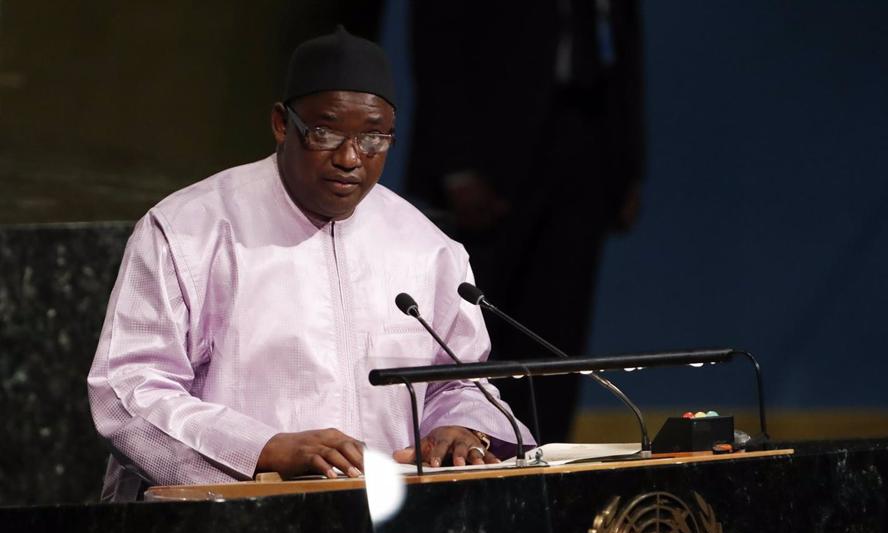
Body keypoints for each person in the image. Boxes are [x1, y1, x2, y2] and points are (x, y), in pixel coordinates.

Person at [88, 27, 531, 502]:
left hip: (383, 528)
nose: (349, 158)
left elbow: (455, 383)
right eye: (325, 132)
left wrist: (463, 429)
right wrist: (265, 450)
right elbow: (128, 388)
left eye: (374, 139)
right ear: (282, 124)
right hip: (224, 525)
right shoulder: (189, 230)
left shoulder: (427, 247)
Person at [407, 1, 645, 443]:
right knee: (483, 325)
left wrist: (630, 163)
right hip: (493, 148)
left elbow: (626, 38)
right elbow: (439, 35)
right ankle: (480, 457)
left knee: (560, 335)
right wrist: (456, 164)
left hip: (586, 143)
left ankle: (548, 468)